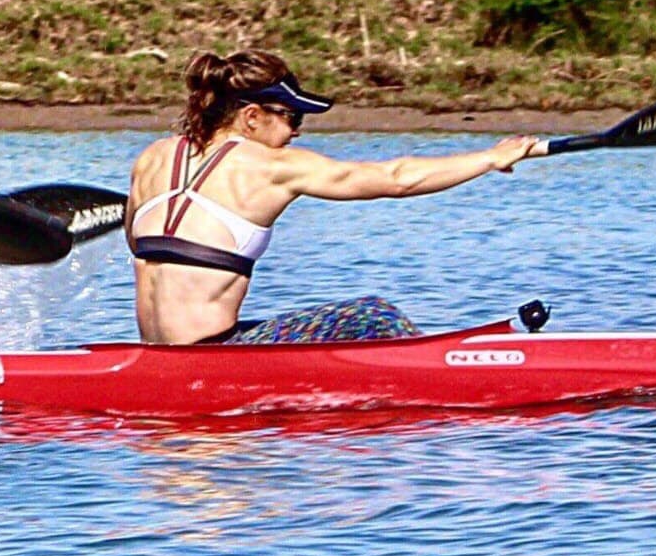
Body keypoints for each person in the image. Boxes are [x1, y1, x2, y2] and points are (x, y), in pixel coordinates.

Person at [126, 50, 541, 345]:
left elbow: (140, 247)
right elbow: (396, 179)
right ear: (251, 116)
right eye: (291, 117)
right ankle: (439, 378)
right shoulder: (271, 166)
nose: (296, 132)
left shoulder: (153, 158)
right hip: (214, 358)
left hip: (156, 356)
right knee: (374, 315)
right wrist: (490, 158)